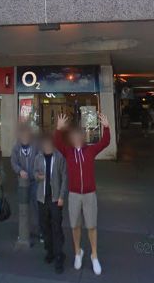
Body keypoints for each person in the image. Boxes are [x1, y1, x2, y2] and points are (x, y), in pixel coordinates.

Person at [54, 112, 111, 276]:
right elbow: (57, 142)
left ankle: (94, 255)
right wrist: (58, 129)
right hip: (73, 195)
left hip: (89, 195)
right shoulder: (68, 152)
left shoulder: (90, 151)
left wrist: (106, 126)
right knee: (75, 226)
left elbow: (105, 142)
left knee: (91, 226)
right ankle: (78, 252)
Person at [34, 135, 68, 274]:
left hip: (55, 199)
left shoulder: (59, 157)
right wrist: (38, 176)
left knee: (56, 226)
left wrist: (61, 196)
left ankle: (59, 255)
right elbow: (35, 172)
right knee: (44, 226)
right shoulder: (38, 157)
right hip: (42, 198)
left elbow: (65, 177)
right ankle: (50, 251)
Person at [10, 126, 39, 240]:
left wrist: (37, 171)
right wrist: (19, 171)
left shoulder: (35, 146)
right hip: (22, 183)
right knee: (23, 207)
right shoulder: (16, 148)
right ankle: (23, 232)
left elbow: (40, 159)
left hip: (35, 181)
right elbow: (14, 162)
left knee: (37, 207)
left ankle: (40, 230)